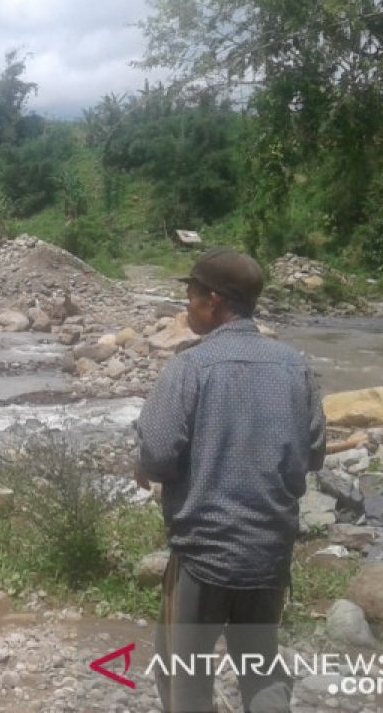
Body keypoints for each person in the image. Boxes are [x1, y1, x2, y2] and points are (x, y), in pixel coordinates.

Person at [134, 247, 326, 713]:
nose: (186, 306)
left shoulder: (190, 368)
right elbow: (314, 453)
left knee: (183, 674)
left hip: (203, 554)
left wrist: (148, 468)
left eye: (190, 295)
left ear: (213, 301)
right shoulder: (294, 366)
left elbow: (157, 454)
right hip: (268, 553)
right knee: (260, 668)